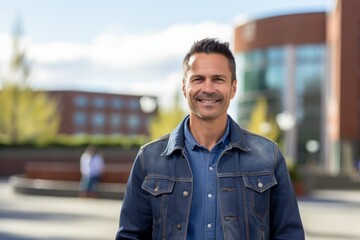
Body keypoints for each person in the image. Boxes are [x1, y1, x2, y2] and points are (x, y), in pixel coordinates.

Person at [116, 38, 304, 239]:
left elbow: (289, 235)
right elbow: (130, 236)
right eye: (198, 79)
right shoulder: (149, 158)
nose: (208, 88)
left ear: (233, 88)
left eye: (218, 79)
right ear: (184, 87)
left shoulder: (268, 155)